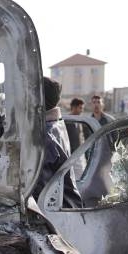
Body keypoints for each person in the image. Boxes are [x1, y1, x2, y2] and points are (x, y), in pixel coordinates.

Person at [31, 77, 82, 207]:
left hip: (59, 217)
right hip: (68, 208)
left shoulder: (44, 137)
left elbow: (38, 195)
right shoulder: (55, 124)